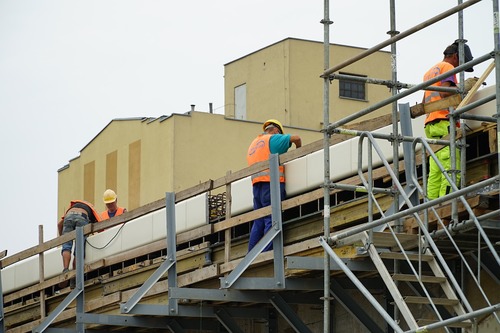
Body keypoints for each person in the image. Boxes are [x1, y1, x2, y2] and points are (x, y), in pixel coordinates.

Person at [422, 41, 473, 200]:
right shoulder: (448, 68)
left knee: (436, 170)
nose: (461, 70)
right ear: (456, 57)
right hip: (444, 122)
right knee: (452, 168)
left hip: (431, 123)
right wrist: (462, 89)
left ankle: (430, 207)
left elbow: (424, 102)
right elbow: (445, 94)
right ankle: (447, 204)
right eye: (461, 65)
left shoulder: (429, 72)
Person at [247, 119, 302, 252]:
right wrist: (299, 151)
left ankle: (251, 254)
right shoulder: (273, 139)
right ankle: (267, 253)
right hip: (270, 184)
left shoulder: (254, 144)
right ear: (277, 131)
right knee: (271, 218)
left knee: (259, 221)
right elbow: (297, 138)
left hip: (257, 186)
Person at [57, 200, 101, 288]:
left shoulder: (71, 209)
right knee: (79, 249)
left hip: (68, 217)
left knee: (66, 246)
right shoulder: (91, 211)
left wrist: (63, 239)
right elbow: (99, 227)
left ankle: (65, 269)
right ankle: (75, 274)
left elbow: (59, 225)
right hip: (83, 217)